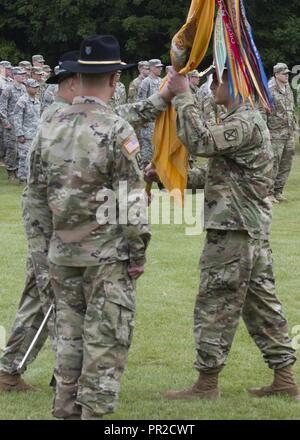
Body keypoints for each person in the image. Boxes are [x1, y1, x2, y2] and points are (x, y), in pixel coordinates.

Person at [26, 34, 174, 420]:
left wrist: (44, 252)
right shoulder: (116, 129)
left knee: (68, 343)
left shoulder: (48, 126)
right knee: (104, 346)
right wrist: (138, 252)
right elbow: (129, 200)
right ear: (114, 80)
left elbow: (36, 200)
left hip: (61, 256)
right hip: (107, 258)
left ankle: (65, 411)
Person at [160, 67, 299, 401]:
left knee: (215, 301)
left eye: (219, 80)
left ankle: (207, 384)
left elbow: (202, 142)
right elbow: (220, 175)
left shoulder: (244, 122)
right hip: (247, 229)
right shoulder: (240, 120)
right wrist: (167, 175)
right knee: (261, 305)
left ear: (237, 85)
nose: (213, 85)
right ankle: (285, 379)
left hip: (235, 231)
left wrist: (182, 95)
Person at [0, 53, 81, 393]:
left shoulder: (60, 114)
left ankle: (9, 370)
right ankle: (68, 376)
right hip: (49, 225)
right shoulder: (60, 117)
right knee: (60, 297)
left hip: (49, 223)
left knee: (38, 297)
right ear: (73, 83)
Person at [266, 63, 295, 203]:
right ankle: (269, 193)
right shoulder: (269, 90)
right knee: (273, 163)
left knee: (286, 163)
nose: (287, 75)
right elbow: (263, 111)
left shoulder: (288, 88)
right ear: (276, 74)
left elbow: (291, 108)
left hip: (288, 132)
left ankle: (278, 191)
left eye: (288, 73)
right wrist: (265, 133)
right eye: (284, 73)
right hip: (275, 133)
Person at [0, 67, 27, 180]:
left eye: (24, 75)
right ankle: (11, 171)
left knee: (21, 147)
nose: (23, 76)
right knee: (12, 148)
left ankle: (19, 171)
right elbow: (2, 107)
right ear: (15, 75)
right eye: (21, 74)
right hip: (11, 122)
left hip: (21, 122)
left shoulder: (24, 88)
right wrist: (5, 122)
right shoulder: (8, 89)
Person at [137, 59, 164, 167]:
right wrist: (143, 118)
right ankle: (144, 169)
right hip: (149, 120)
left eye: (161, 67)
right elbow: (140, 100)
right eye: (158, 67)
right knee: (147, 146)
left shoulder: (161, 81)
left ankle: (156, 168)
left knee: (158, 145)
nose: (160, 69)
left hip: (159, 119)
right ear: (152, 68)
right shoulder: (146, 82)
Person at [14, 78, 41, 183]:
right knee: (24, 156)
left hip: (35, 134)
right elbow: (17, 118)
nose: (36, 89)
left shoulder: (37, 100)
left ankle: (32, 177)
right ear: (27, 87)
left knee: (34, 157)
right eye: (33, 87)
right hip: (25, 135)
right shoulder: (22, 101)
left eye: (37, 87)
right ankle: (23, 178)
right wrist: (19, 134)